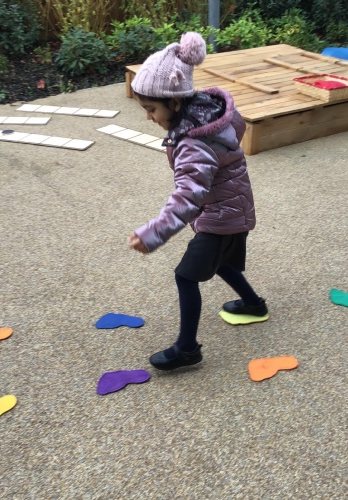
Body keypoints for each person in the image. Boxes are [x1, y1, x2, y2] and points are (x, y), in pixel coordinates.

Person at [127, 32, 267, 371]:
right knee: (221, 262)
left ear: (175, 104)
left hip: (222, 216)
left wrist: (154, 233)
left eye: (151, 109)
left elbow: (189, 195)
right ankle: (253, 304)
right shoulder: (208, 115)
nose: (149, 117)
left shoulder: (193, 142)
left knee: (186, 276)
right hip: (232, 209)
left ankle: (187, 349)